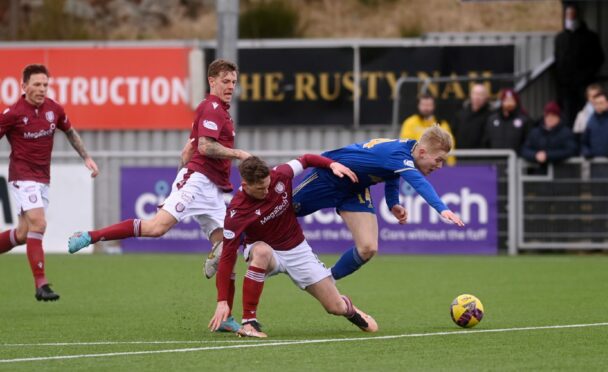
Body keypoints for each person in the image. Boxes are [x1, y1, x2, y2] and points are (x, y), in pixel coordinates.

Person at [67, 59, 251, 330]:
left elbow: (189, 148)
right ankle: (89, 236)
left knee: (229, 247)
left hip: (213, 188)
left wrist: (184, 164)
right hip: (198, 181)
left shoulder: (221, 112)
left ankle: (226, 317)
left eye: (234, 82)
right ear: (212, 81)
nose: (230, 87)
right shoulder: (211, 107)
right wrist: (238, 154)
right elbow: (204, 146)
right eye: (225, 81)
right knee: (155, 228)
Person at [208, 156, 378, 338]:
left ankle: (348, 307)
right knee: (262, 252)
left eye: (268, 185)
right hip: (266, 251)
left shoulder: (281, 174)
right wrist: (222, 301)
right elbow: (227, 257)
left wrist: (332, 164)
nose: (267, 191)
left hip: (297, 250)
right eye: (260, 189)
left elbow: (306, 159)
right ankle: (249, 322)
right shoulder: (236, 212)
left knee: (335, 307)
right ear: (245, 185)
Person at [291, 125, 464, 281]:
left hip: (355, 188)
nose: (440, 166)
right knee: (283, 211)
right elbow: (419, 183)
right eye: (438, 159)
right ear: (422, 153)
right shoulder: (399, 154)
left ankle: (327, 280)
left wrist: (392, 203)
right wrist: (442, 209)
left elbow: (392, 174)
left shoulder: (409, 150)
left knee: (368, 247)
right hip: (330, 177)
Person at [0, 64, 99, 301]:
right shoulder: (12, 113)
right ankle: (41, 284)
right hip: (22, 177)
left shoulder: (54, 109)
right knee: (39, 223)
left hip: (43, 178)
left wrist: (86, 157)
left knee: (24, 233)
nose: (42, 89)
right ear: (23, 86)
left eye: (45, 84)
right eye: (36, 84)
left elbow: (70, 132)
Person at [554, 3, 605, 126]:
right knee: (567, 115)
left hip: (584, 85)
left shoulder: (590, 37)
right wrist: (562, 78)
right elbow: (558, 61)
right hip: (566, 87)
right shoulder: (560, 38)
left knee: (586, 114)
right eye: (568, 15)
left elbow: (599, 59)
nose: (570, 18)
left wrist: (585, 76)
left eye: (573, 15)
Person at [521, 101, 577, 173]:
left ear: (559, 117)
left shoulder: (566, 133)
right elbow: (524, 149)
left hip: (560, 174)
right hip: (538, 175)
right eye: (547, 116)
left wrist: (548, 155)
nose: (550, 119)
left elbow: (571, 150)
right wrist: (535, 155)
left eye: (553, 116)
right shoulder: (535, 132)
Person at [400, 94, 456, 165]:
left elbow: (450, 146)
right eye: (423, 105)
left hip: (439, 166)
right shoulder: (410, 123)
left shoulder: (442, 124)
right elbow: (406, 145)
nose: (426, 108)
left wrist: (451, 166)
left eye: (429, 105)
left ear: (434, 106)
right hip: (415, 165)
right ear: (418, 106)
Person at [482, 88, 532, 153]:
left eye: (511, 100)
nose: (508, 103)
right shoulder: (492, 119)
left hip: (516, 160)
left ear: (516, 102)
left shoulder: (524, 120)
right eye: (506, 100)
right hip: (495, 159)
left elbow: (528, 142)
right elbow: (486, 141)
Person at [451, 83, 491, 149]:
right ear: (470, 95)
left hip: (482, 157)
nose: (477, 97)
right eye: (475, 94)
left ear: (486, 97)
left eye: (481, 94)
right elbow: (453, 135)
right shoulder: (460, 115)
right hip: (461, 155)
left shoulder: (491, 117)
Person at [581, 91, 608, 158]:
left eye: (601, 103)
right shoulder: (591, 121)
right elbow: (584, 142)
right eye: (595, 104)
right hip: (594, 165)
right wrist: (586, 152)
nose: (598, 106)